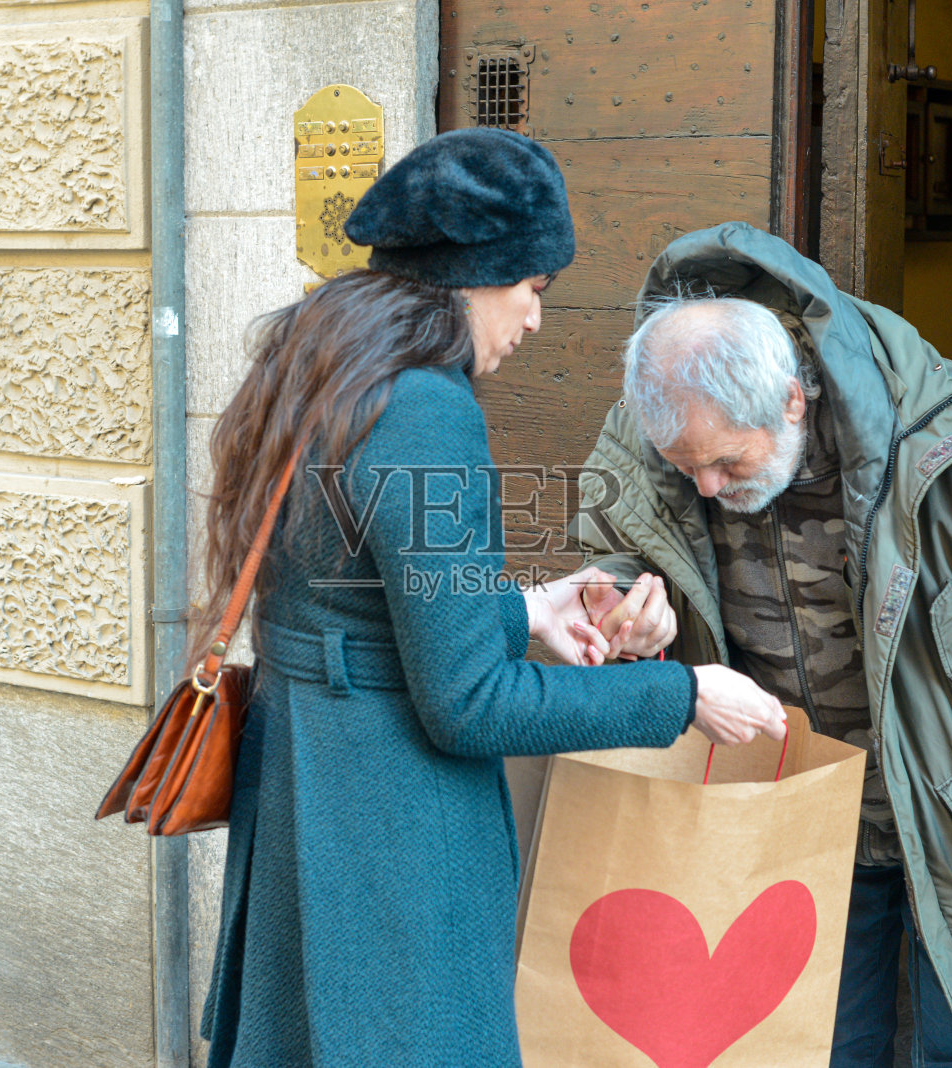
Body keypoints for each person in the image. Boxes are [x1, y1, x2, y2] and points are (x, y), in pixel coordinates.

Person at [196, 129, 787, 1067]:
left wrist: (528, 610)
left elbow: (359, 613)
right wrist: (682, 694)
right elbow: (470, 703)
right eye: (532, 288)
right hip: (393, 835)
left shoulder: (324, 364)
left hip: (319, 797)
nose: (535, 319)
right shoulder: (426, 408)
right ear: (475, 275)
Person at [568, 221, 952, 1068]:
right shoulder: (659, 428)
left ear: (792, 401)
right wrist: (622, 598)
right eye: (684, 464)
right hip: (795, 806)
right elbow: (621, 544)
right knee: (817, 1050)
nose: (705, 487)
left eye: (728, 465)